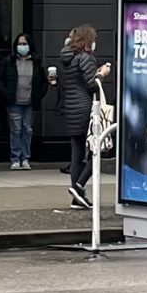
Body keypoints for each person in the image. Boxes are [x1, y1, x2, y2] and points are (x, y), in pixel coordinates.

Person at [58, 24, 102, 208]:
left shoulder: (67, 58)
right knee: (98, 151)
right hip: (85, 109)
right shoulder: (86, 58)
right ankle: (79, 186)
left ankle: (77, 199)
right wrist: (102, 74)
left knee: (76, 156)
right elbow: (91, 85)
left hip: (71, 109)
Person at [0, 31, 42, 172]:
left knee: (28, 130)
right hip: (14, 102)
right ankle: (16, 158)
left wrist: (39, 95)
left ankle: (26, 158)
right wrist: (6, 94)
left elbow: (42, 81)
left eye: (24, 44)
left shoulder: (36, 62)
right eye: (19, 44)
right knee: (16, 130)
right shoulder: (9, 61)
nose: (22, 46)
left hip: (30, 102)